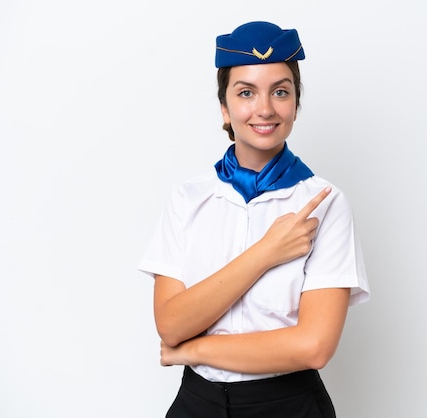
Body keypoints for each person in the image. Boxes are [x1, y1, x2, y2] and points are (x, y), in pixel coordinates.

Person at [138, 20, 370, 418]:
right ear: (225, 109)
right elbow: (171, 325)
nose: (265, 109)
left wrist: (194, 349)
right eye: (246, 93)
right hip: (197, 403)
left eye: (280, 91)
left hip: (288, 404)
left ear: (296, 103)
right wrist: (266, 252)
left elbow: (313, 346)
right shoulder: (188, 199)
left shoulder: (324, 203)